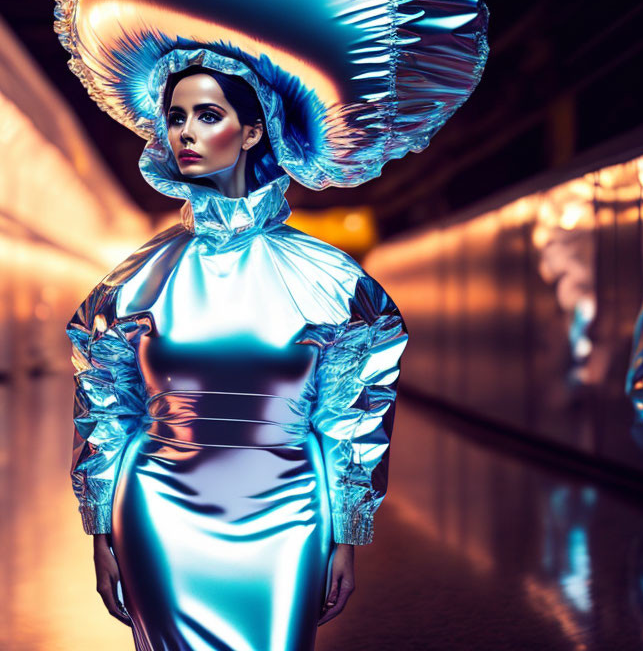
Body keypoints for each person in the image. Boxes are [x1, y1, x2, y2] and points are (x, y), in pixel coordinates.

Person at [66, 56, 409, 651]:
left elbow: (350, 419)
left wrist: (347, 533)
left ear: (252, 132)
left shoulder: (331, 281)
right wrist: (100, 529)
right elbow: (105, 412)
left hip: (291, 517)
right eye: (175, 118)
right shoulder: (132, 282)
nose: (186, 134)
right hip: (156, 513)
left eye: (208, 115)